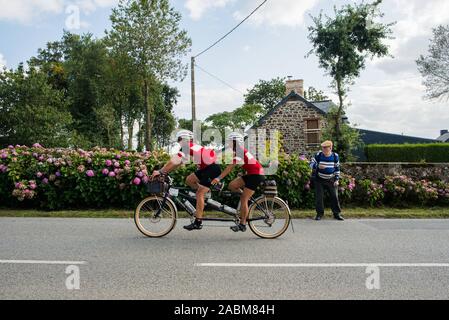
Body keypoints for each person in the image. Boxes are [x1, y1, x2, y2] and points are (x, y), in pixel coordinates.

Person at [152, 130, 221, 231]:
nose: (179, 142)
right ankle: (206, 194)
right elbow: (177, 163)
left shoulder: (187, 146)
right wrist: (165, 172)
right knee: (189, 180)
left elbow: (174, 160)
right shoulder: (190, 147)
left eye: (179, 139)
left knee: (199, 194)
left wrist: (160, 171)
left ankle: (198, 222)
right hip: (206, 168)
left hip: (211, 168)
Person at [211, 132, 266, 232]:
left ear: (235, 142)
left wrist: (218, 178)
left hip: (256, 175)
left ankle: (243, 224)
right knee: (232, 185)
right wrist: (243, 173)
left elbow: (229, 168)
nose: (228, 143)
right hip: (252, 173)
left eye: (230, 141)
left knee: (244, 198)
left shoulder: (240, 152)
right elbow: (249, 163)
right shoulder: (239, 151)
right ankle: (246, 201)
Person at [309, 140, 344, 221]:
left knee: (334, 196)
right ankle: (319, 214)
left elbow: (337, 168)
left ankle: (337, 214)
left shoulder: (335, 156)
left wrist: (337, 179)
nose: (323, 150)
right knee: (319, 197)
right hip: (319, 179)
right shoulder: (318, 155)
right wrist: (317, 166)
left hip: (331, 179)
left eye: (325, 148)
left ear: (330, 148)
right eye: (323, 148)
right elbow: (310, 164)